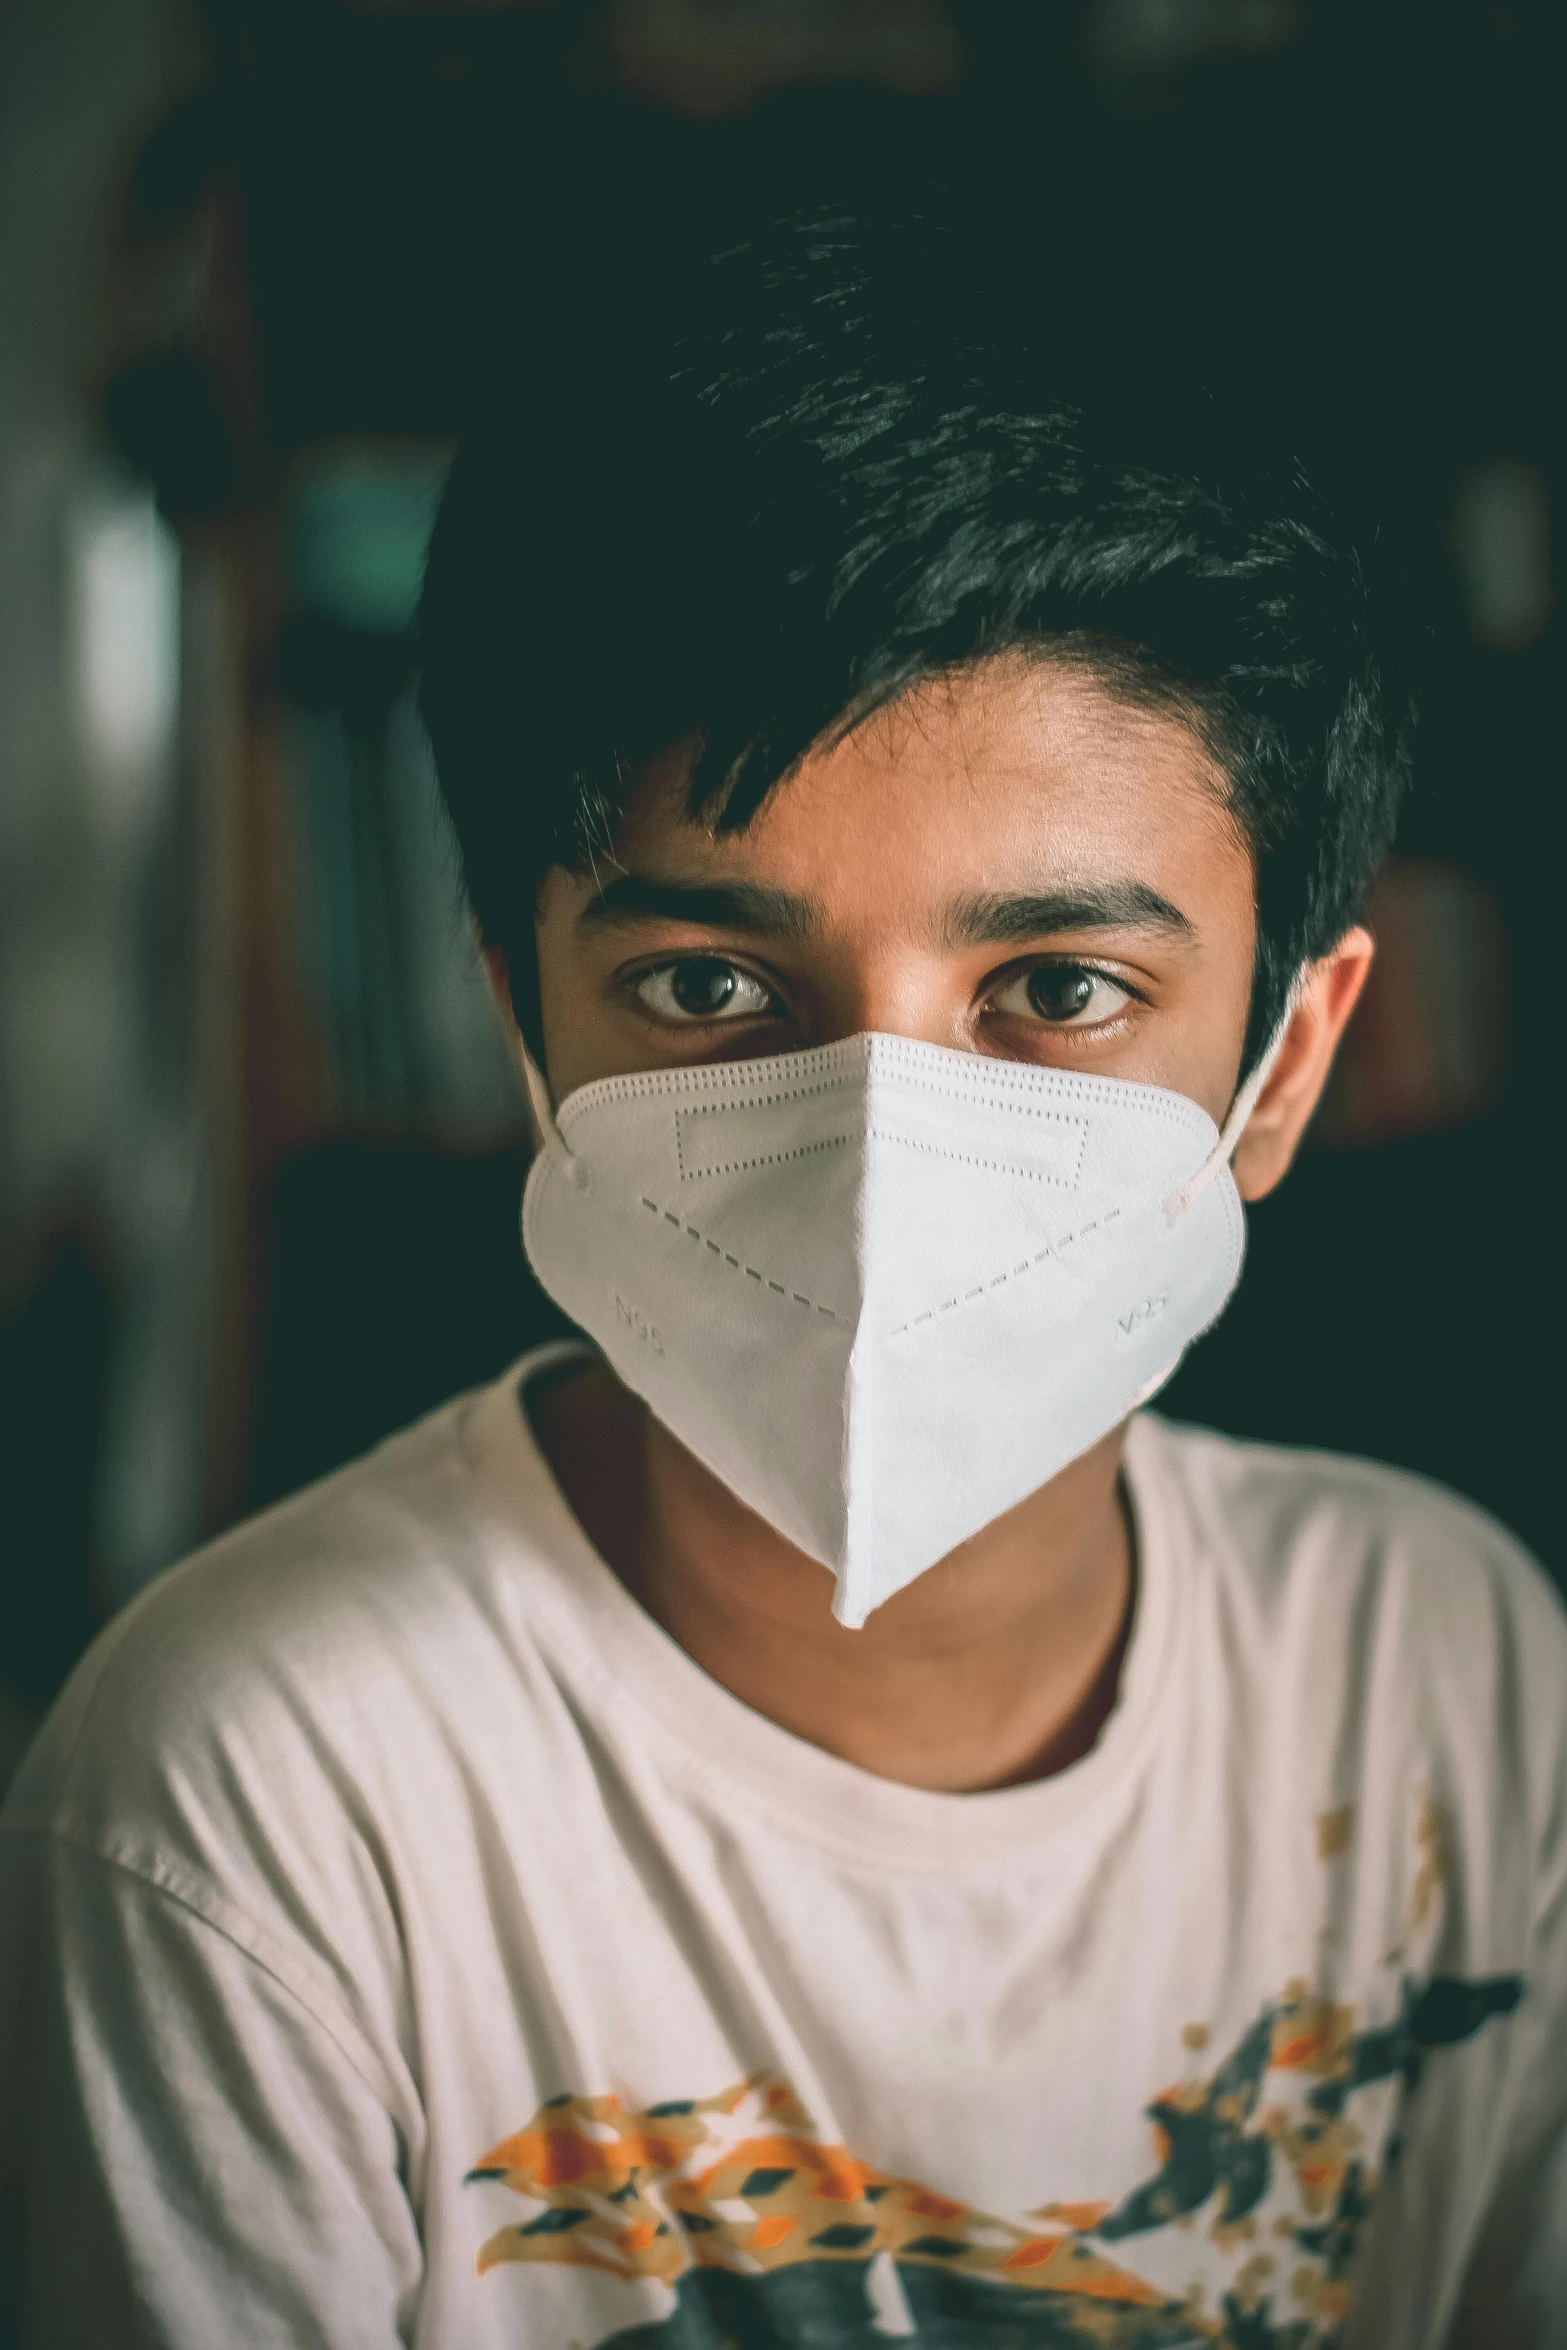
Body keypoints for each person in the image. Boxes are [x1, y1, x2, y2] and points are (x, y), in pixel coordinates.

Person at [3, 216, 1563, 2350]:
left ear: (1286, 1059)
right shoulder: (260, 1796)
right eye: (714, 982)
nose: (881, 1140)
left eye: (1057, 987)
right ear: (524, 1027)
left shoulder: (1452, 1687)